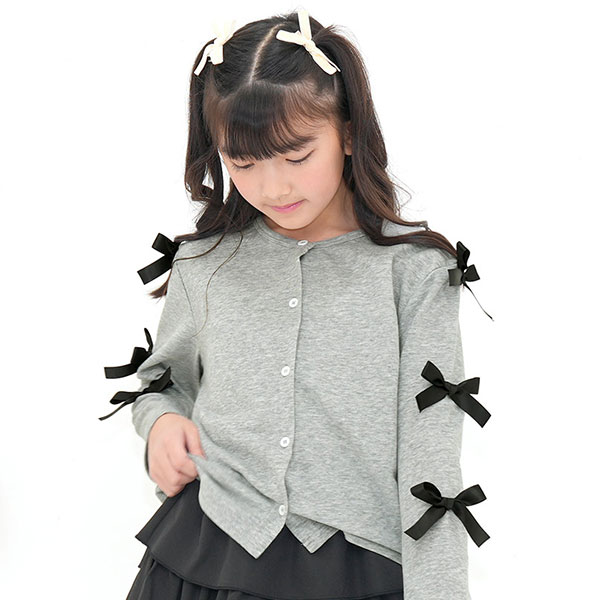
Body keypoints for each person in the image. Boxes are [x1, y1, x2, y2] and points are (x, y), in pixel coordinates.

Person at [99, 8, 493, 600]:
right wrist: (160, 423)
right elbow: (164, 381)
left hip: (356, 570)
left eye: (297, 155)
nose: (273, 187)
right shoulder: (205, 263)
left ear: (349, 133)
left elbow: (431, 462)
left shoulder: (415, 274)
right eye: (243, 163)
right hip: (203, 558)